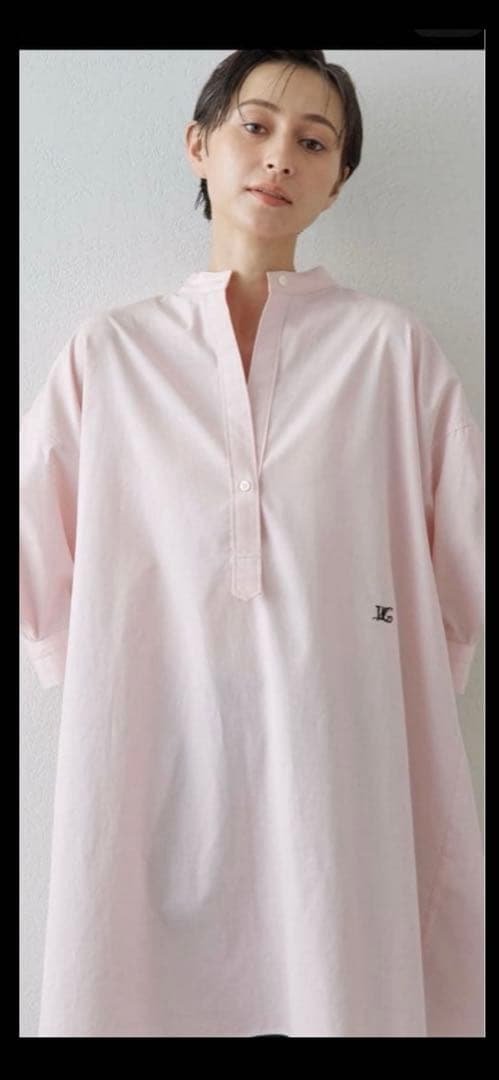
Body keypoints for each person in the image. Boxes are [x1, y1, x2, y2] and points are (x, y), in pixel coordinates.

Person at [20, 49, 484, 1037]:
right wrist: (89, 663)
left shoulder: (389, 351)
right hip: (152, 744)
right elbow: (35, 559)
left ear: (337, 180)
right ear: (199, 144)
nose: (279, 156)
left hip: (337, 752)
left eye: (314, 142)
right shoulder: (111, 353)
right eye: (256, 125)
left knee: (338, 971)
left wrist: (403, 662)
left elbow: (461, 564)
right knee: (130, 982)